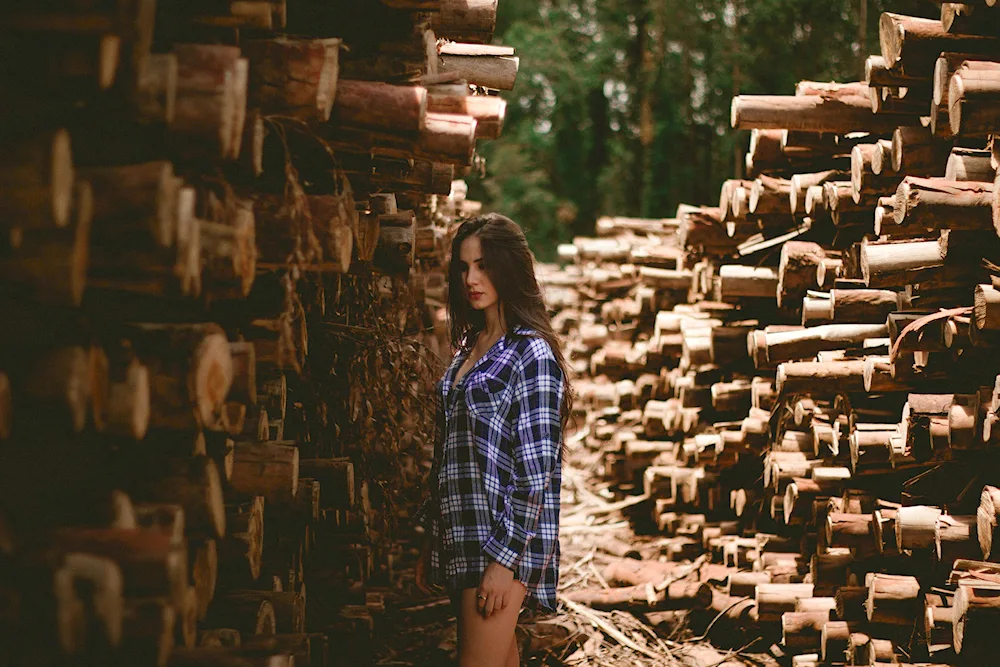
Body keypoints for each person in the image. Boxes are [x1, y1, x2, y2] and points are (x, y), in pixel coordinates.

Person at [414, 213, 572, 667]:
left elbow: (536, 471)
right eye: (463, 267)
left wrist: (504, 562)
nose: (471, 278)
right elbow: (451, 454)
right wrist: (434, 536)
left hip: (500, 543)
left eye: (483, 265)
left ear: (509, 267)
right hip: (461, 535)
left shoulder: (531, 353)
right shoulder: (470, 347)